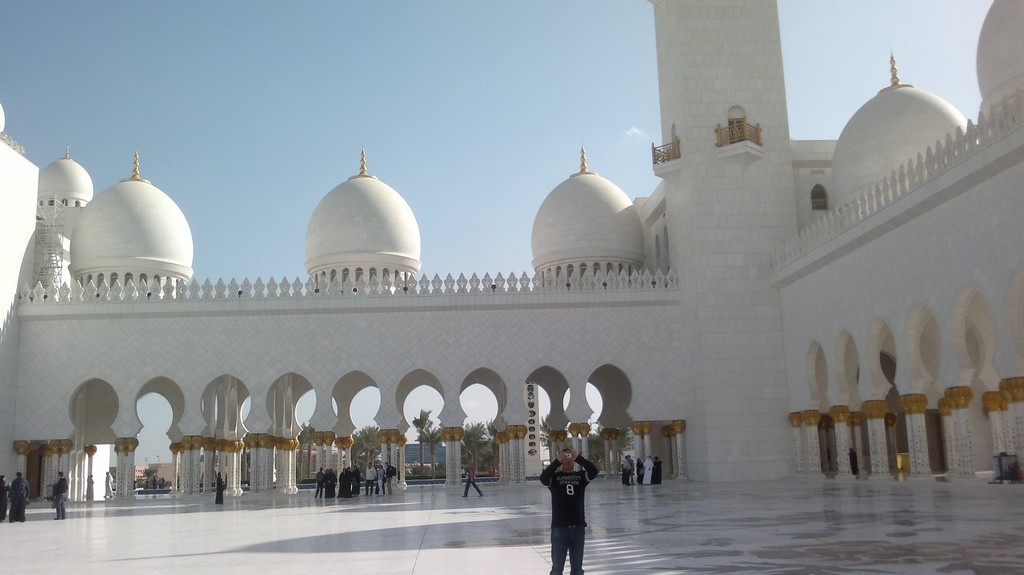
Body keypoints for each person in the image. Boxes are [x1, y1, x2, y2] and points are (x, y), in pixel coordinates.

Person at [540, 447, 599, 575]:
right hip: (560, 528)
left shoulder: (581, 477)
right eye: (565, 456)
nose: (567, 459)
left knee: (577, 569)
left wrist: (578, 458)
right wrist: (556, 461)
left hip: (578, 527)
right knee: (557, 569)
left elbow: (594, 471)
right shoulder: (554, 478)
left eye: (569, 456)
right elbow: (543, 478)